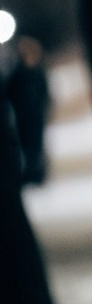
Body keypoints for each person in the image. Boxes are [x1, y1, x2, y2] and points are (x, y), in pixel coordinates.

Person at [6, 35, 50, 189]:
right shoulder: (19, 72)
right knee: (26, 146)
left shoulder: (37, 71)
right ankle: (29, 174)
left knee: (36, 146)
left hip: (35, 116)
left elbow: (45, 93)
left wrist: (44, 109)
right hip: (22, 117)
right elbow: (8, 92)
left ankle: (37, 174)